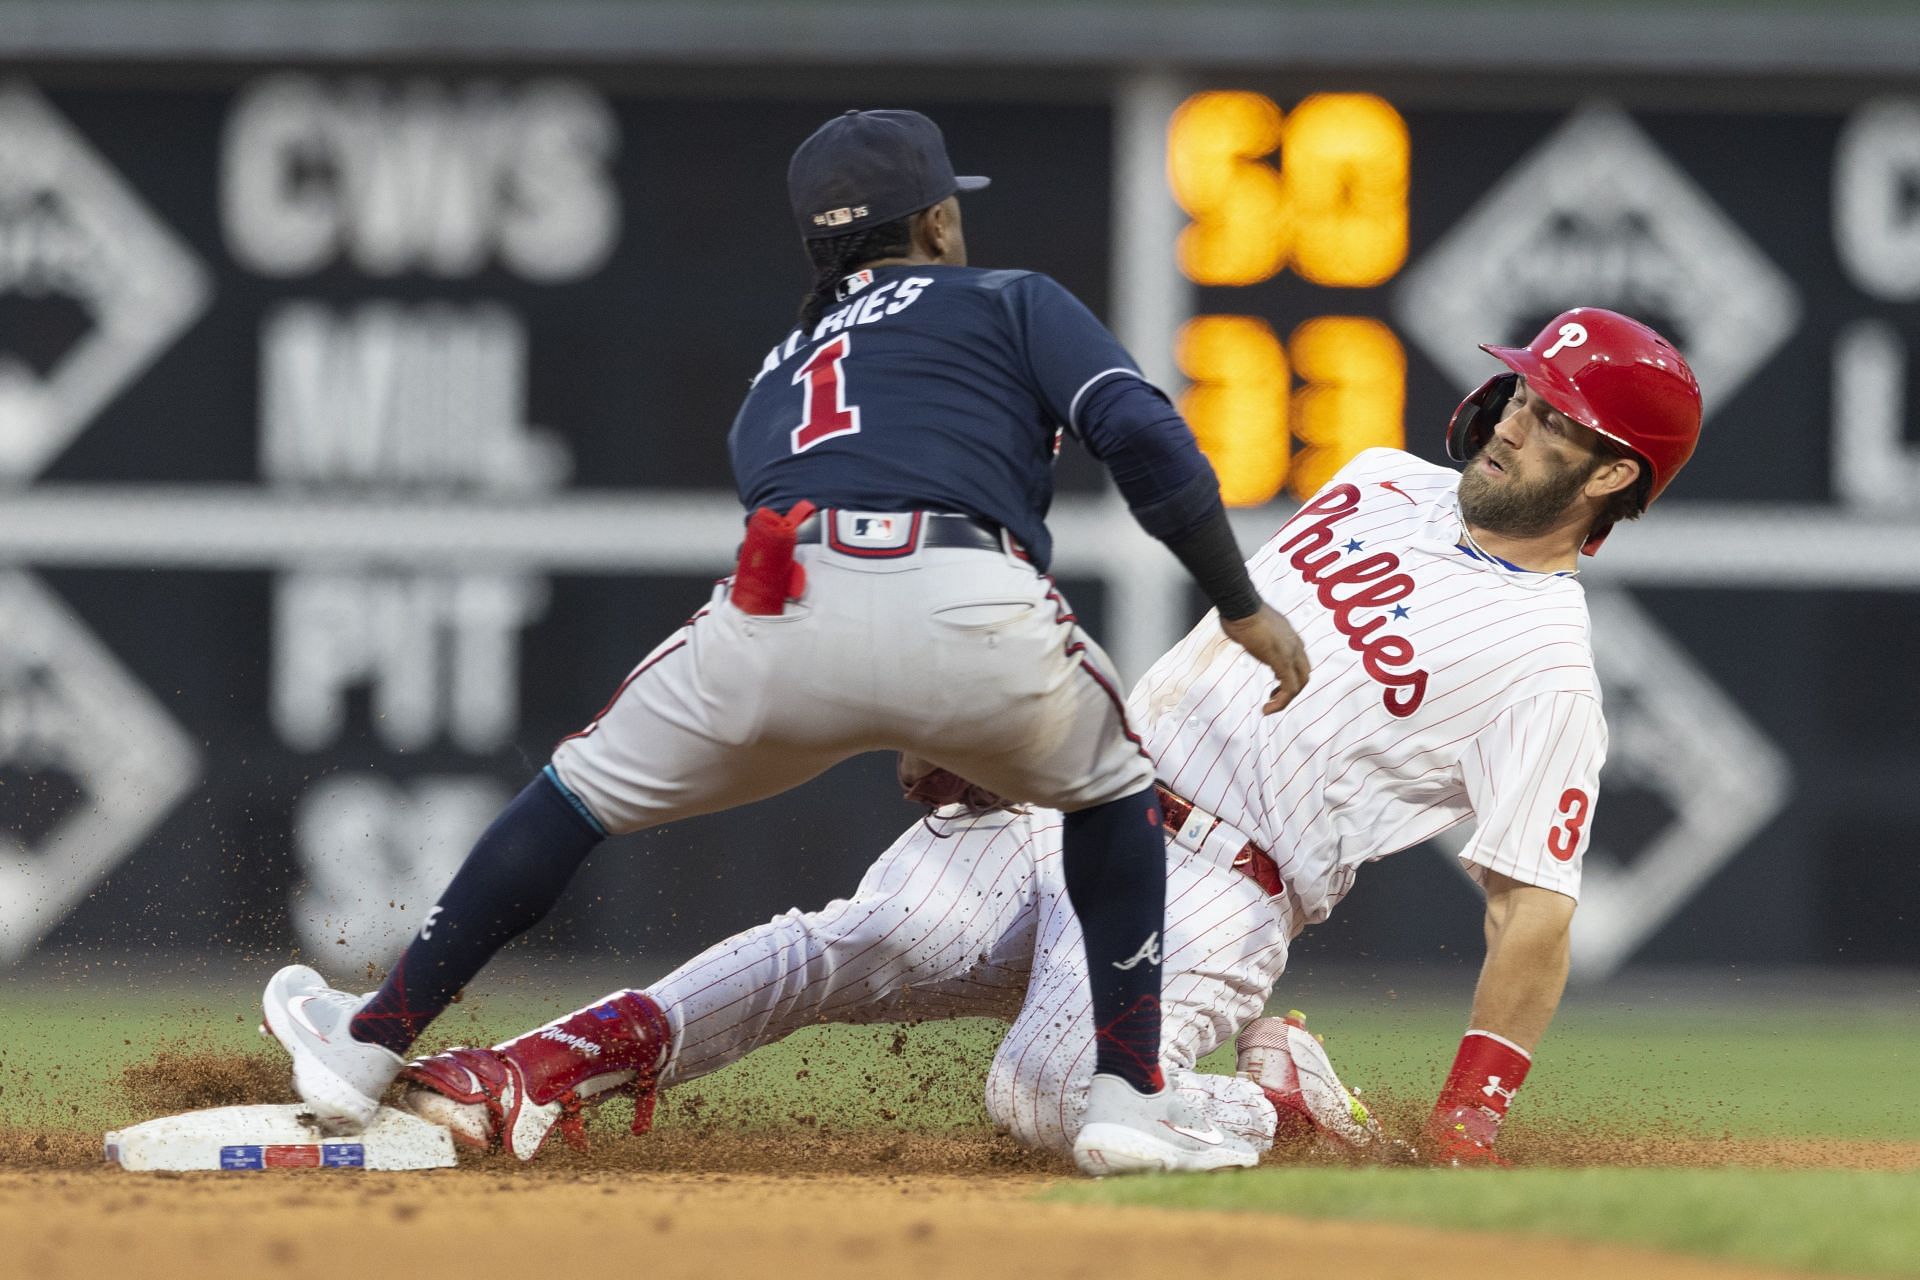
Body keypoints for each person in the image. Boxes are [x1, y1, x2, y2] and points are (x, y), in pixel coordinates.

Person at [395, 308, 1704, 1169]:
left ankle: (1279, 1102)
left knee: (1043, 1101)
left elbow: (1532, 912)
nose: (1518, 414)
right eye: (1523, 389)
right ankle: (533, 1071)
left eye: (1557, 416)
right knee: (858, 943)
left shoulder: (1548, 665)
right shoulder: (1375, 479)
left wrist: (1474, 1109)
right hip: (1085, 790)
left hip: (1223, 884)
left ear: (1610, 479)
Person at [260, 107, 1310, 1178]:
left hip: (776, 608)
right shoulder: (1010, 298)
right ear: (939, 221)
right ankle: (1126, 1097)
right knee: (1114, 790)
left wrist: (897, 691)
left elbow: (825, 539)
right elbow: (1144, 433)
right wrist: (1236, 601)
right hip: (965, 592)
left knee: (571, 794)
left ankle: (366, 1041)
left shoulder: (776, 370)